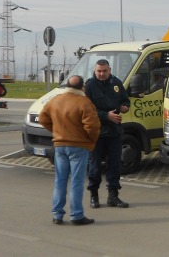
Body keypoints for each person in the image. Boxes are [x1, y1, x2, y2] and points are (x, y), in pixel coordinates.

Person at [38, 75, 100, 225]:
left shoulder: (56, 99)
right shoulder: (84, 102)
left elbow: (43, 118)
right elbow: (92, 126)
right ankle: (77, 215)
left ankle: (57, 215)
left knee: (60, 180)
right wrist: (91, 140)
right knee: (76, 182)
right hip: (78, 146)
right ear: (82, 87)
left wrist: (55, 131)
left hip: (59, 145)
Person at [85, 59, 131, 209]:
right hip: (97, 132)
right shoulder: (90, 85)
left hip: (114, 132)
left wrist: (125, 107)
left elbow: (125, 100)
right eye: (99, 71)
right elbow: (87, 110)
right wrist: (106, 116)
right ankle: (94, 195)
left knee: (115, 165)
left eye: (104, 71)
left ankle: (113, 196)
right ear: (95, 70)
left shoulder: (116, 83)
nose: (102, 74)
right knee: (95, 166)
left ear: (109, 70)